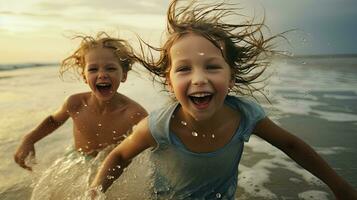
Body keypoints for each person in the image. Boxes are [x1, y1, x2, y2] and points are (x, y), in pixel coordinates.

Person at [90, 1, 357, 199]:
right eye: (184, 69)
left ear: (231, 78)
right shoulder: (160, 126)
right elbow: (119, 156)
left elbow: (291, 145)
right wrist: (94, 194)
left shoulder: (245, 115)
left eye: (212, 67)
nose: (199, 79)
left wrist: (339, 186)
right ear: (169, 82)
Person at [14, 32, 148, 171]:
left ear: (124, 75)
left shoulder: (134, 112)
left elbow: (154, 137)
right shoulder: (75, 103)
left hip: (114, 167)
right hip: (78, 161)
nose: (102, 74)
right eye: (93, 69)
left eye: (111, 68)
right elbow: (53, 121)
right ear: (84, 76)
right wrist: (29, 139)